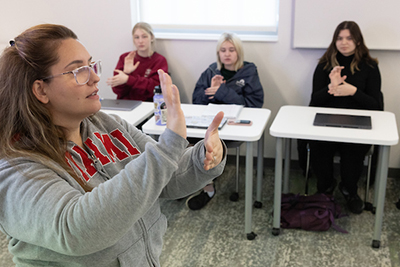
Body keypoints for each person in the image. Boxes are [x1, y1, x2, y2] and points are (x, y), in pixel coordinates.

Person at [0, 24, 226, 267]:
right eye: (78, 71)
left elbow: (165, 177)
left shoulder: (108, 124)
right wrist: (168, 147)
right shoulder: (16, 164)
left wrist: (203, 155)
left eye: (91, 65)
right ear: (40, 89)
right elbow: (78, 231)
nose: (95, 77)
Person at [309, 21, 383, 214]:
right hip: (327, 121)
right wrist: (330, 88)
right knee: (319, 146)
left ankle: (350, 189)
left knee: (353, 150)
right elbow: (314, 101)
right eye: (340, 38)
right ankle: (326, 185)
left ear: (358, 41)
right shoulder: (325, 65)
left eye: (349, 38)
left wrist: (354, 91)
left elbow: (375, 105)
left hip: (357, 123)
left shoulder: (370, 66)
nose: (344, 42)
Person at [188, 32, 264, 210]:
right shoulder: (210, 71)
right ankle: (200, 185)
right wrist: (211, 89)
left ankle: (208, 190)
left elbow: (254, 105)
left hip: (234, 129)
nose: (227, 54)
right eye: (223, 50)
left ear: (238, 52)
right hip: (210, 126)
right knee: (189, 141)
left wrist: (221, 91)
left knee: (208, 145)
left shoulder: (249, 71)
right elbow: (196, 102)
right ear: (218, 53)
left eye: (231, 50)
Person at [106, 22, 168, 101]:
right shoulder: (125, 58)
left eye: (144, 36)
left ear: (151, 37)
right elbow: (117, 91)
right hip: (126, 104)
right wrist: (126, 72)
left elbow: (155, 89)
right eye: (137, 37)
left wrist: (129, 79)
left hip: (148, 104)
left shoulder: (159, 60)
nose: (140, 41)